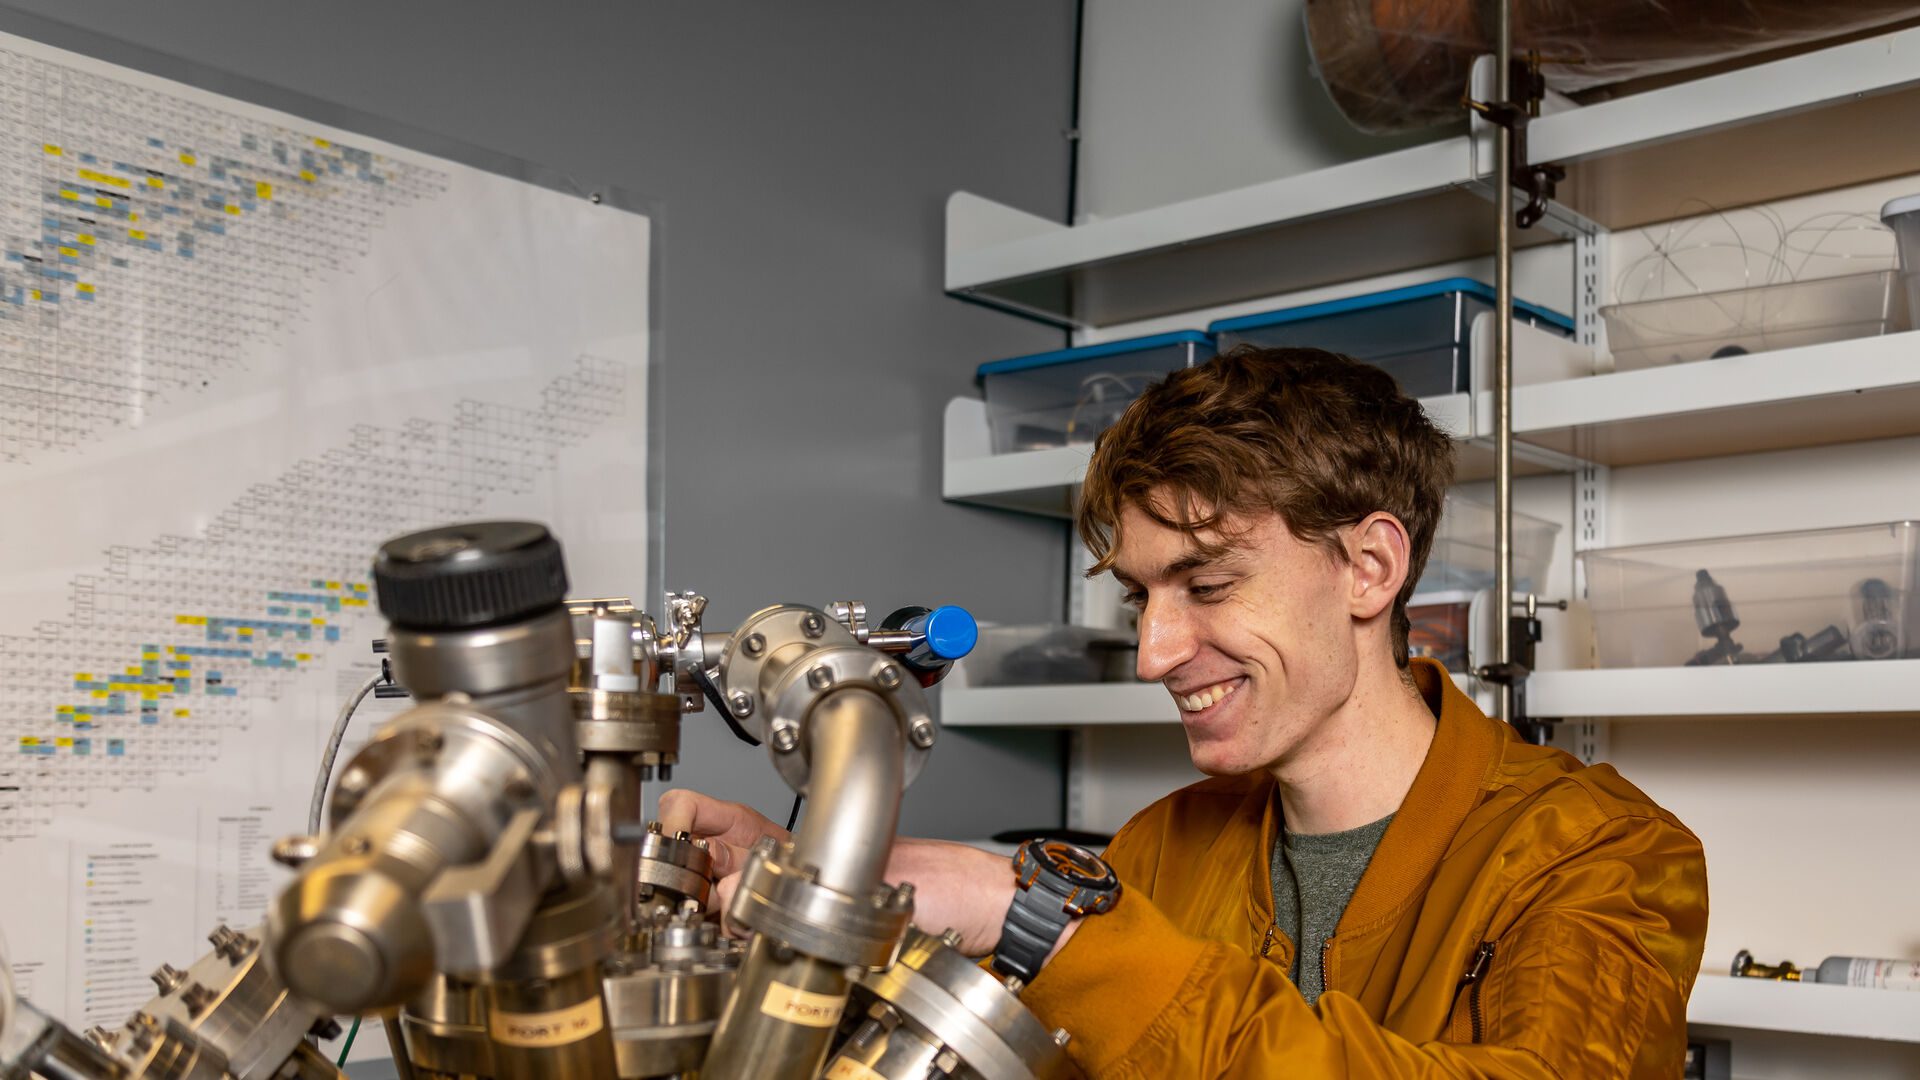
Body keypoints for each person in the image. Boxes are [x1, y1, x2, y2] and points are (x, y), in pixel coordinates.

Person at [661, 347, 1708, 1078]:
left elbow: (1105, 972)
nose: (1156, 652)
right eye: (1140, 598)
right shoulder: (1165, 850)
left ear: (1370, 566)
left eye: (1206, 585)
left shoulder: (1599, 856)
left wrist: (1046, 927)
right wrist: (808, 886)